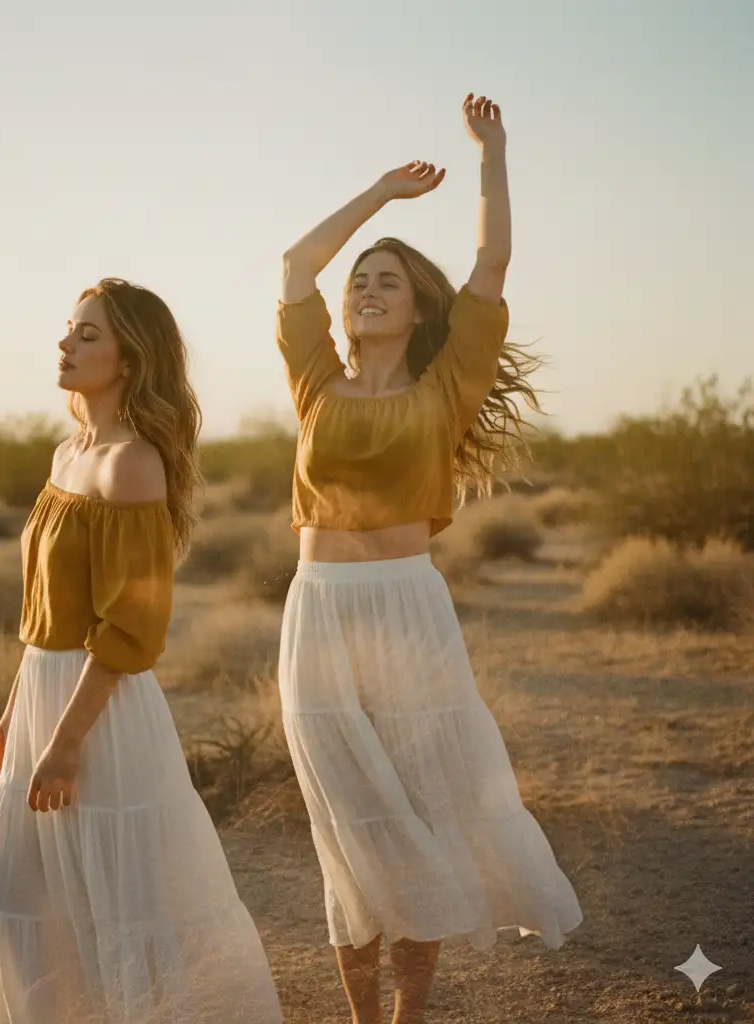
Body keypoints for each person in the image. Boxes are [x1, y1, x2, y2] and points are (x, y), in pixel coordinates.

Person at [274, 94, 583, 1023]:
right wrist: (379, 194)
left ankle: (408, 1015)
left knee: (416, 810)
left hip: (407, 608)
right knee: (345, 818)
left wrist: (492, 152)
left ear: (416, 312)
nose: (365, 290)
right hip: (318, 608)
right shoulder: (314, 380)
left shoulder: (448, 383)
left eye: (387, 284)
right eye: (359, 281)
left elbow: (492, 262)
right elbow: (295, 265)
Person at [0, 278, 283, 1024]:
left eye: (87, 335)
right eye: (68, 330)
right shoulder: (65, 454)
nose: (66, 344)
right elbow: (44, 614)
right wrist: (19, 710)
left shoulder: (131, 464)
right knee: (17, 901)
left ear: (132, 359)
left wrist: (66, 743)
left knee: (123, 912)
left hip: (98, 711)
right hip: (46, 691)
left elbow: (129, 629)